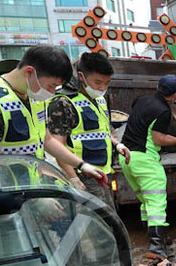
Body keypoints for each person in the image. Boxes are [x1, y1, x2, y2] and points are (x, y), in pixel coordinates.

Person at [0, 45, 106, 185]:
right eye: (51, 86)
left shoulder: (32, 96)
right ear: (29, 72)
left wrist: (82, 165)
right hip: (7, 195)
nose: (51, 93)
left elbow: (46, 139)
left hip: (32, 187)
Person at [119, 74, 176, 259]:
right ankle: (156, 248)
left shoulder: (144, 99)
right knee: (156, 202)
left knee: (147, 201)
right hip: (144, 160)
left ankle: (159, 240)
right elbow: (158, 138)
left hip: (126, 157)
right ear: (175, 94)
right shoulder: (163, 110)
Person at [45, 52, 130, 209]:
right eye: (97, 82)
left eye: (107, 83)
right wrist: (73, 178)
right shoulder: (63, 103)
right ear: (81, 76)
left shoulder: (100, 100)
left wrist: (117, 144)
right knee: (94, 223)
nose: (102, 88)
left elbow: (103, 130)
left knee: (109, 218)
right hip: (82, 174)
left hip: (103, 172)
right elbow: (57, 146)